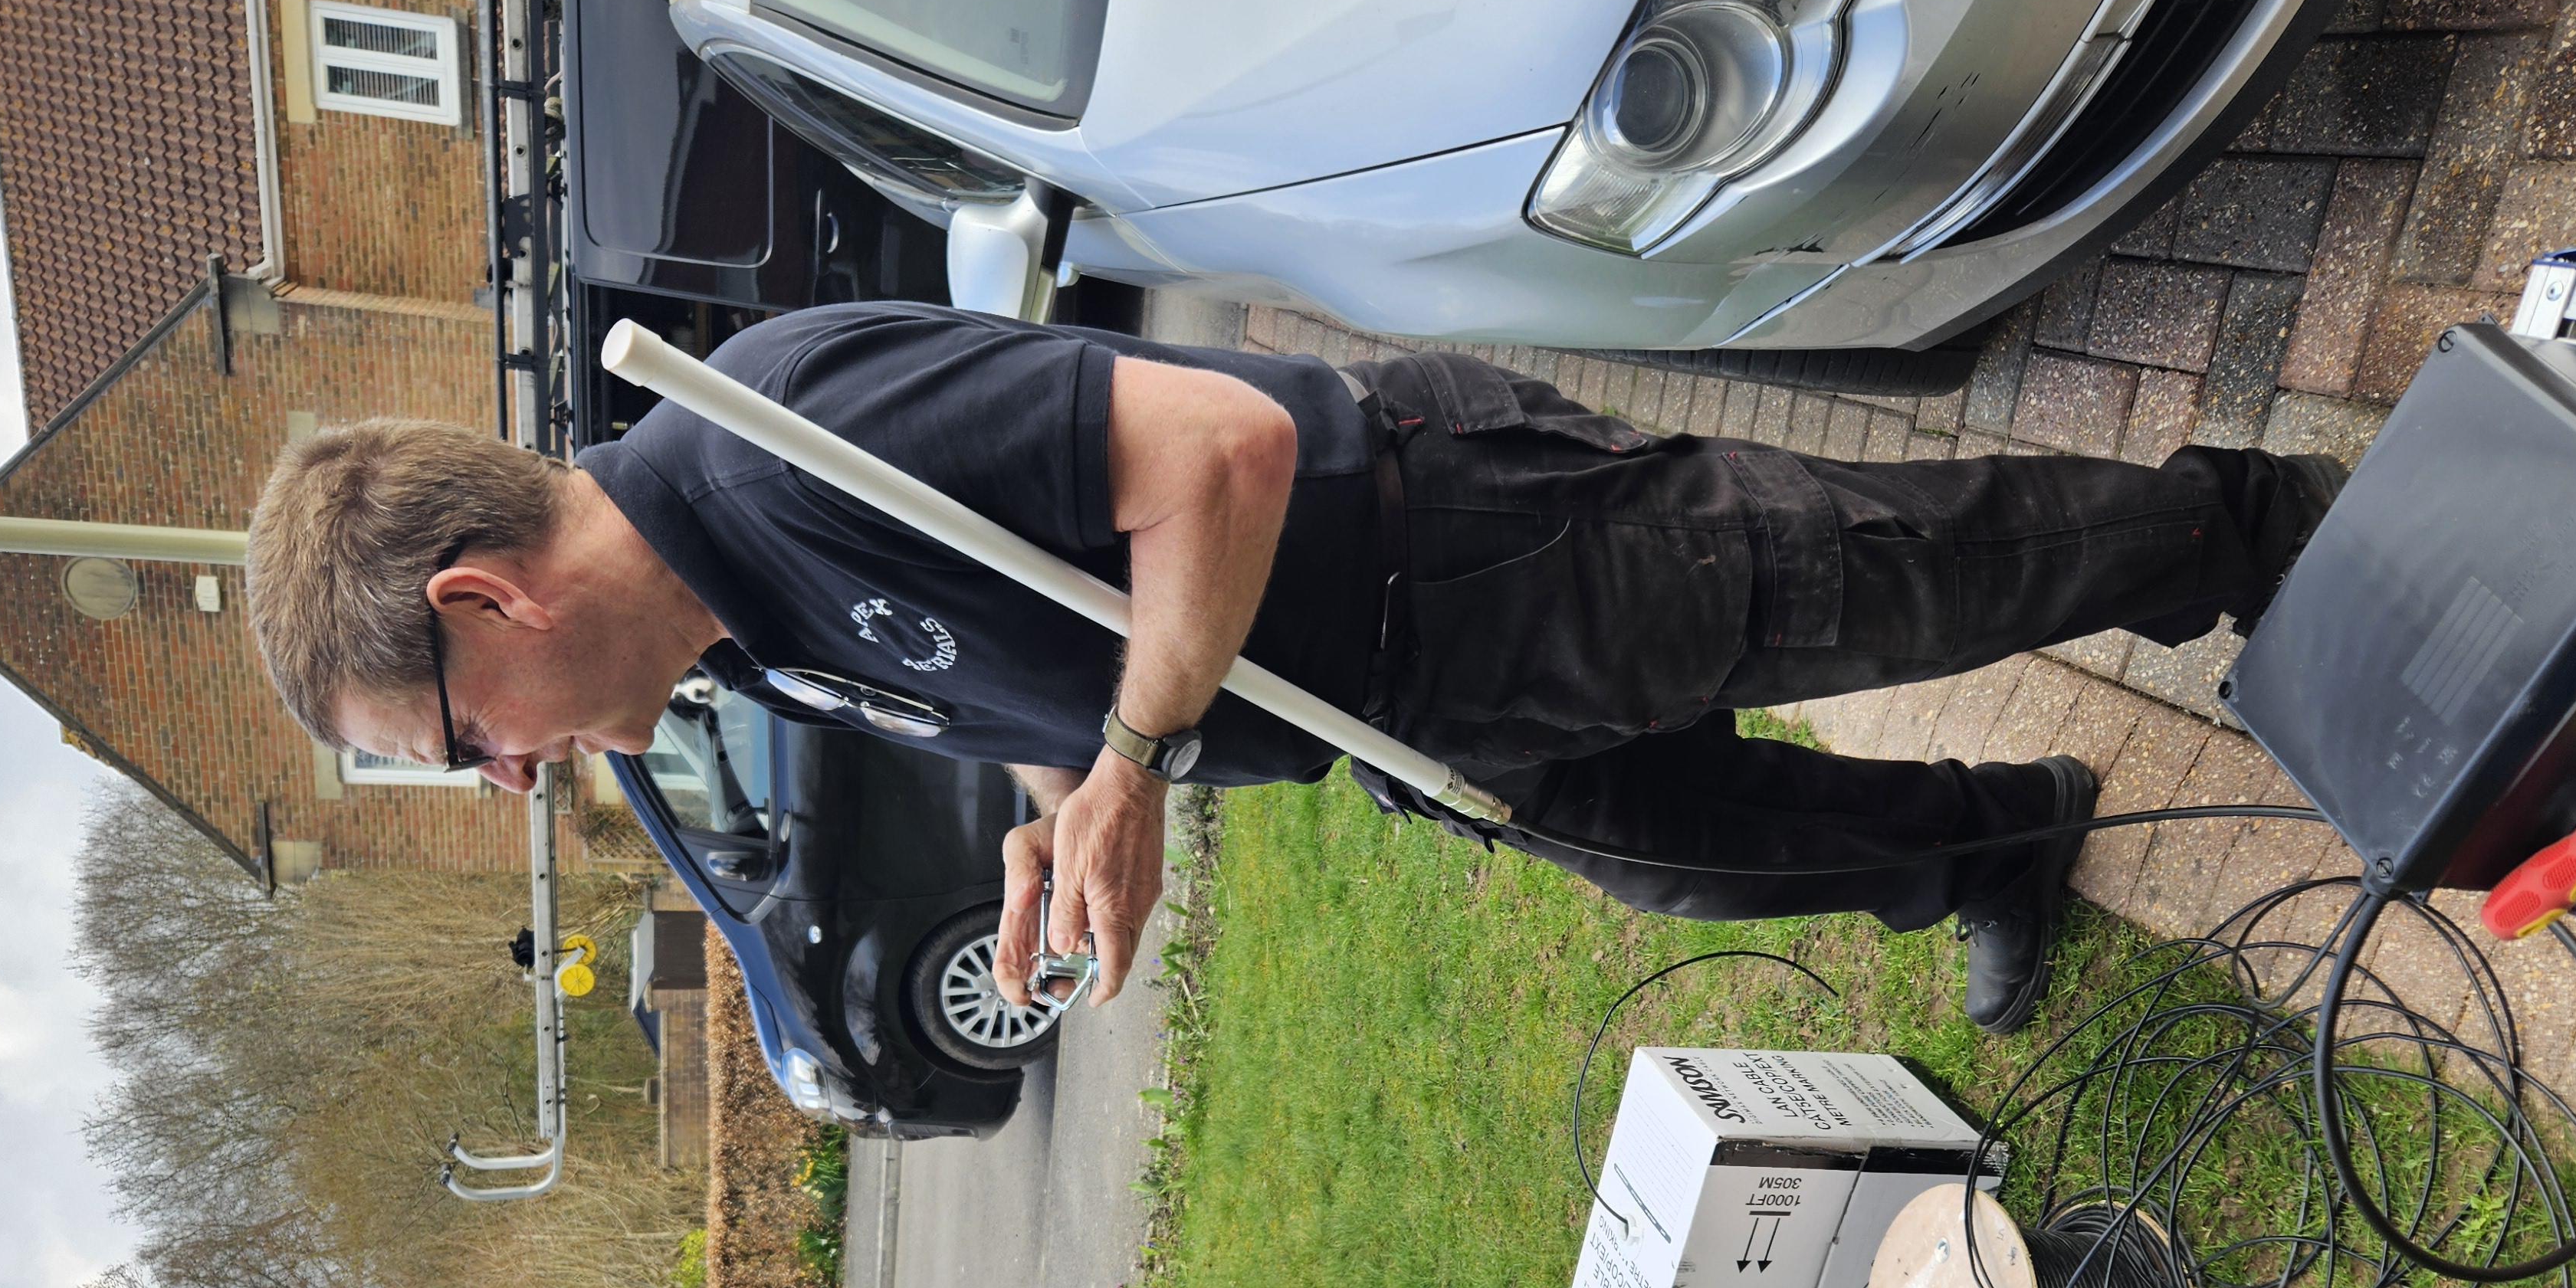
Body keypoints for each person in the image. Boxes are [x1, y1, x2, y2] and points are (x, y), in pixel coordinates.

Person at [245, 303, 2338, 1033]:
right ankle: (2001, 842)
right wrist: (1053, 806)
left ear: (484, 606)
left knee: (1904, 585)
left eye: (459, 745)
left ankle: (2256, 531)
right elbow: (1018, 679)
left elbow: (1219, 452)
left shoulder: (780, 437)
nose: (506, 780)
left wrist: (1139, 761)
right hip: (1395, 705)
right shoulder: (743, 644)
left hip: (1460, 547)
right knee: (1694, 847)